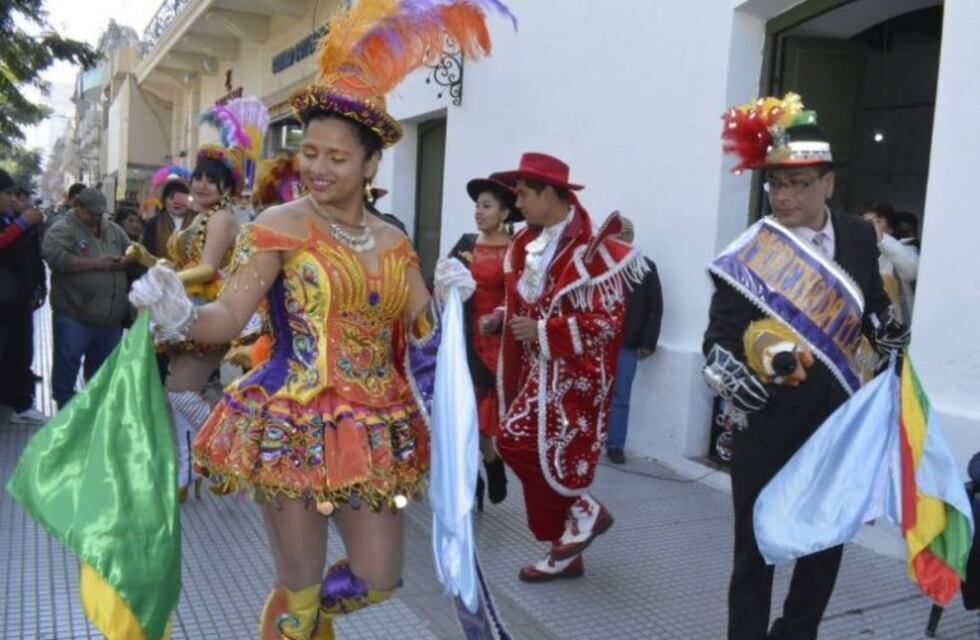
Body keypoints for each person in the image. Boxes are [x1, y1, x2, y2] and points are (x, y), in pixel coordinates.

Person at [129, 2, 503, 637]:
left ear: (369, 166)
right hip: (291, 422)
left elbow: (424, 338)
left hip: (377, 426)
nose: (318, 168)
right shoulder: (280, 227)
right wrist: (176, 312)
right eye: (309, 152)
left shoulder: (393, 241)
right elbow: (227, 317)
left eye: (336, 157)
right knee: (298, 591)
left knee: (380, 578)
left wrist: (453, 299)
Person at [706, 95, 908, 640]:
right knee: (755, 554)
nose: (785, 196)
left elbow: (870, 307)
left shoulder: (861, 236)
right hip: (767, 425)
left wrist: (890, 334)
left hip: (839, 426)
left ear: (829, 185)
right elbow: (718, 341)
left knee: (823, 546)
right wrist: (729, 378)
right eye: (776, 184)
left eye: (799, 183)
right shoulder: (751, 252)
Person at [485, 152, 646, 582]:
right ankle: (570, 541)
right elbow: (521, 301)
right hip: (538, 372)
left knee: (519, 444)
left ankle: (583, 513)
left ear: (551, 194)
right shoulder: (524, 244)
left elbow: (606, 323)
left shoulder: (597, 253)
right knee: (515, 442)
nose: (517, 205)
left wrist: (539, 330)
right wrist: (503, 318)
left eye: (522, 195)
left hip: (576, 377)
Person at [153, 141, 243, 502]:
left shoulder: (222, 218)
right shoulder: (202, 218)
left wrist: (165, 284)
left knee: (178, 391)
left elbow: (206, 269)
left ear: (226, 186)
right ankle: (186, 470)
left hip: (212, 311)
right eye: (198, 178)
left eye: (212, 179)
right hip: (189, 308)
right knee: (177, 391)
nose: (202, 185)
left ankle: (228, 446)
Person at [448, 172, 523, 508]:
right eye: (477, 205)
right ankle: (473, 477)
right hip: (462, 337)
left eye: (487, 206)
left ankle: (491, 462)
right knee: (462, 416)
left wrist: (499, 317)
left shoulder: (516, 252)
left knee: (482, 420)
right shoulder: (465, 245)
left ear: (505, 213)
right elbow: (447, 281)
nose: (479, 211)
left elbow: (521, 297)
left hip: (496, 345)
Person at [41, 188, 133, 409]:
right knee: (67, 363)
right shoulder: (63, 229)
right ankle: (64, 410)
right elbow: (55, 257)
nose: (96, 217)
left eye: (100, 213)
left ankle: (94, 412)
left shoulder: (113, 230)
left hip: (109, 319)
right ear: (78, 207)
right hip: (75, 314)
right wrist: (96, 263)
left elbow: (131, 250)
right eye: (91, 212)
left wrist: (125, 260)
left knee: (102, 372)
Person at [604, 216, 662, 464]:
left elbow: (655, 306)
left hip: (626, 344)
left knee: (620, 398)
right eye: (616, 232)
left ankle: (615, 445)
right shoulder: (597, 266)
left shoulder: (646, 267)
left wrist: (648, 342)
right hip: (597, 344)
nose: (621, 236)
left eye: (626, 231)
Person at [0, 172, 47, 423]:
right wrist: (21, 226)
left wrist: (38, 287)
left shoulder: (15, 221)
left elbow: (32, 258)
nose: (11, 199)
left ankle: (19, 404)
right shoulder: (16, 225)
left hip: (18, 302)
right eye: (6, 193)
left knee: (19, 354)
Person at [861, 202, 919, 324]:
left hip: (900, 332)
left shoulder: (904, 249)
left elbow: (912, 269)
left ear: (891, 229)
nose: (870, 226)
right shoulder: (858, 254)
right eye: (866, 222)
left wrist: (881, 238)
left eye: (877, 221)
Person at [143, 178, 192, 259]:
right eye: (171, 198)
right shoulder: (154, 224)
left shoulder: (198, 219)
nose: (176, 202)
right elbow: (147, 254)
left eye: (181, 198)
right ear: (164, 200)